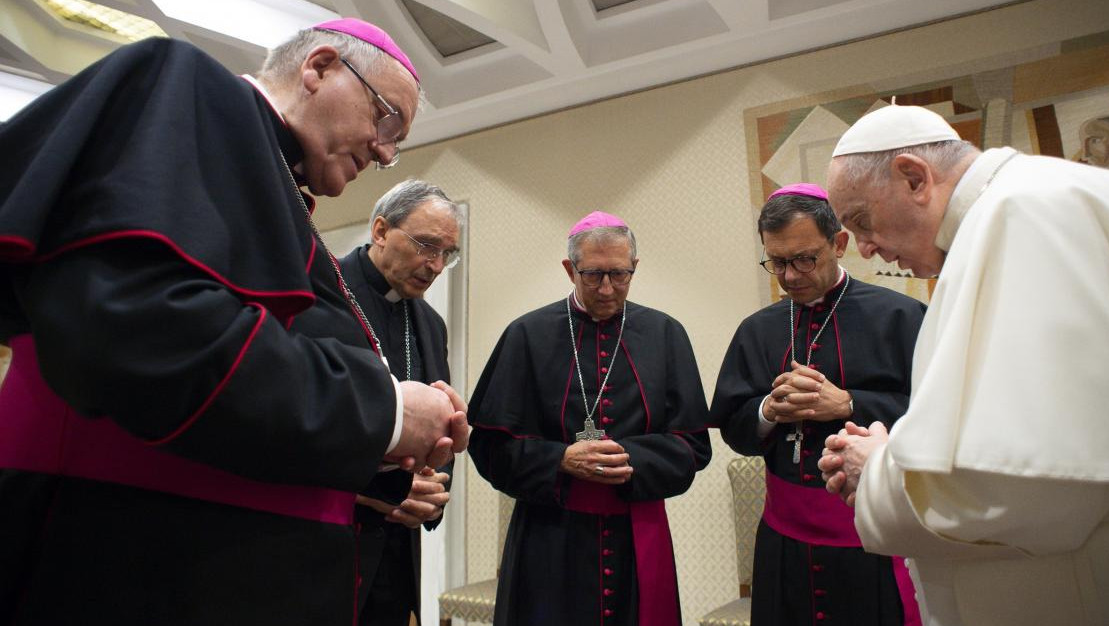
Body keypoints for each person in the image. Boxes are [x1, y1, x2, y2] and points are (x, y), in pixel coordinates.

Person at [0, 18, 469, 626]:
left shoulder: (274, 182)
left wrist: (386, 466)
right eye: (385, 119)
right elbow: (147, 335)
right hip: (125, 565)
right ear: (319, 67)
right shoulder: (186, 85)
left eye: (396, 141)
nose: (384, 152)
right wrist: (388, 414)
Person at [819, 104, 1109, 625]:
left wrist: (879, 468)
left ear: (914, 177)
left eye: (862, 221)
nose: (865, 249)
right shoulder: (1048, 197)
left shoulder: (1021, 215)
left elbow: (1029, 486)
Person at [467, 211, 712, 626]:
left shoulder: (666, 334)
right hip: (548, 536)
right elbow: (489, 447)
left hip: (637, 535)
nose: (606, 288)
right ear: (569, 269)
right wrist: (560, 460)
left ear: (634, 267)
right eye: (592, 274)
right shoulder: (526, 335)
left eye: (619, 275)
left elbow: (694, 446)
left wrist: (628, 457)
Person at [709, 183, 926, 625]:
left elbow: (937, 420)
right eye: (778, 262)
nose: (790, 276)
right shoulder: (757, 330)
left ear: (839, 243)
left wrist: (849, 404)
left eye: (805, 259)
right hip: (784, 541)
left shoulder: (901, 317)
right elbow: (732, 426)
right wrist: (768, 411)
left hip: (873, 539)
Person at [339, 179, 462, 625]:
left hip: (397, 548)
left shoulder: (430, 322)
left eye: (447, 253)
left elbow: (443, 421)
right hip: (331, 535)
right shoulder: (327, 291)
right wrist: (380, 489)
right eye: (426, 245)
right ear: (379, 231)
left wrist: (431, 490)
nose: (435, 265)